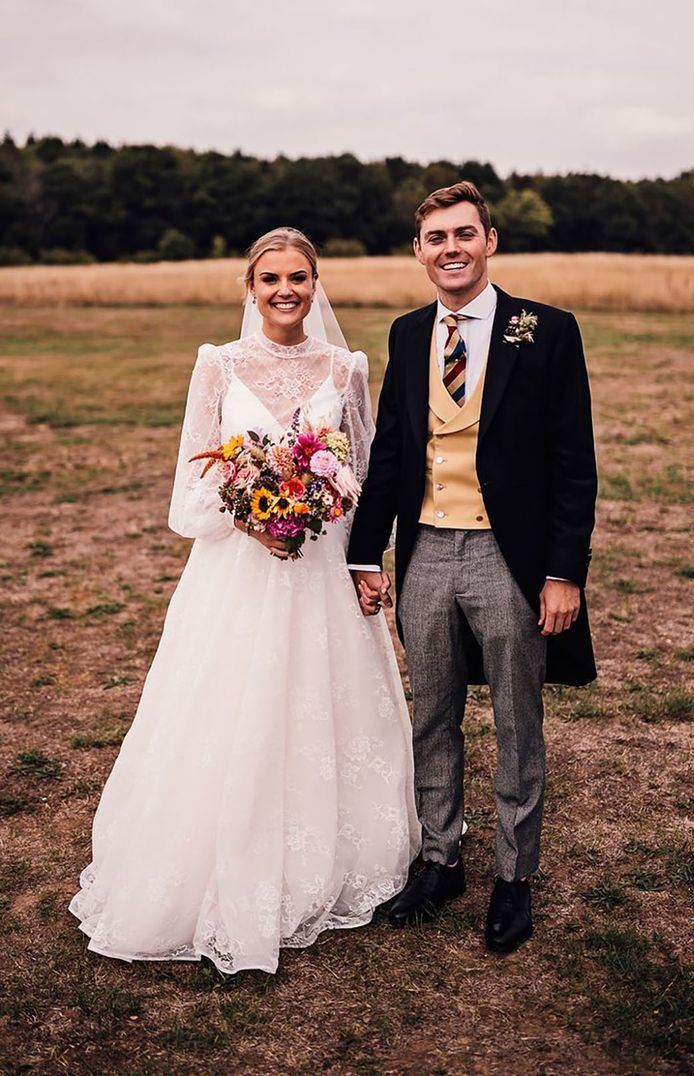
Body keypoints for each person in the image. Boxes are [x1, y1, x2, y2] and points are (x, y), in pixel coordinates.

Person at [70, 227, 420, 975]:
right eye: (270, 279)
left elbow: (363, 475)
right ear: (250, 288)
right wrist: (251, 517)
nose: (286, 291)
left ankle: (328, 853)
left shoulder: (346, 367)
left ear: (316, 284)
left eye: (298, 277)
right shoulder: (218, 366)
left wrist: (362, 560)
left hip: (323, 567)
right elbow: (190, 490)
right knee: (230, 707)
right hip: (239, 573)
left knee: (322, 706)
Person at [348, 182, 597, 954]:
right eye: (435, 238)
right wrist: (365, 549)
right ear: (419, 251)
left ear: (491, 240)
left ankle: (514, 879)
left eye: (464, 234)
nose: (450, 248)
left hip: (507, 556)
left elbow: (572, 463)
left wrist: (562, 572)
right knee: (433, 714)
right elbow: (391, 449)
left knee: (518, 720)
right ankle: (441, 860)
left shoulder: (546, 330)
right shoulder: (406, 332)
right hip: (425, 550)